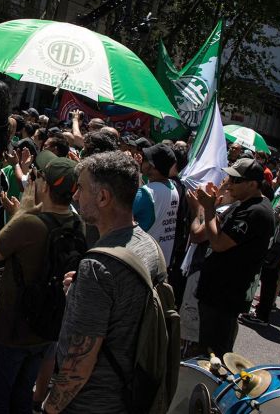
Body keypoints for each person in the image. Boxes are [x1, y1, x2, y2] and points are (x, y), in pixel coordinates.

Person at [42, 151, 166, 414]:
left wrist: (51, 407)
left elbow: (79, 365)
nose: (75, 196)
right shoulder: (149, 245)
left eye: (82, 189)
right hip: (128, 397)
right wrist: (79, 293)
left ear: (103, 197)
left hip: (88, 404)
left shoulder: (97, 267)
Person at [0, 152, 83, 414]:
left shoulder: (28, 223)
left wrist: (22, 211)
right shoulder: (77, 224)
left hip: (10, 331)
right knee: (22, 397)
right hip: (46, 328)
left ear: (45, 186)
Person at [192, 158, 275, 356]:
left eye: (236, 181)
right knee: (207, 347)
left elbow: (219, 243)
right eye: (229, 177)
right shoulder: (242, 204)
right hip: (215, 292)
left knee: (215, 355)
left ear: (253, 184)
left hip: (225, 295)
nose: (229, 183)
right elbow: (200, 234)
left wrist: (209, 207)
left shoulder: (256, 211)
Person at [244, 159, 280, 326]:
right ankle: (262, 311)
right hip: (274, 240)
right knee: (267, 276)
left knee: (269, 278)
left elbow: (275, 214)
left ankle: (262, 316)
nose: (277, 176)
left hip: (279, 242)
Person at [133, 144, 181, 264]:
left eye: (144, 160)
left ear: (152, 166)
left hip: (141, 261)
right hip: (161, 261)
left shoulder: (146, 193)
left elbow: (118, 215)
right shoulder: (172, 187)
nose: (141, 162)